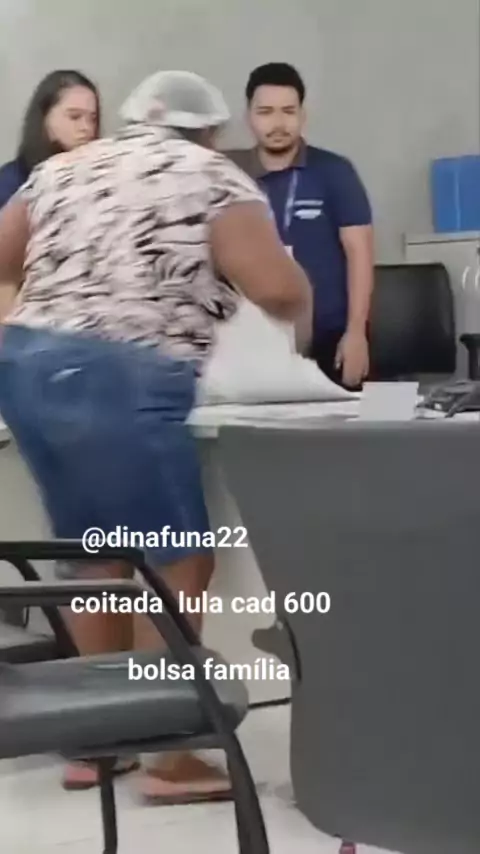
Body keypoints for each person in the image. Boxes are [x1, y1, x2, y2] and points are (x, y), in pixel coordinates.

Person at [0, 70, 312, 804]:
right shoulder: (212, 174)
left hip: (26, 367)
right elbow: (275, 288)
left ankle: (95, 742)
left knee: (94, 553)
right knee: (178, 559)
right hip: (125, 373)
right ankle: (169, 758)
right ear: (211, 132)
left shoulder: (65, 168)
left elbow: (3, 257)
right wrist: (298, 308)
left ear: (135, 121)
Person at [226, 62, 374, 388]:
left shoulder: (335, 171)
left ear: (302, 115)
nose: (278, 123)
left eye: (288, 111)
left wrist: (356, 332)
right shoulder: (228, 173)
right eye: (265, 112)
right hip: (249, 341)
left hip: (328, 340)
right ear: (249, 117)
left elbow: (360, 254)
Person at [0, 69, 100, 210]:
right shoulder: (11, 181)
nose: (87, 128)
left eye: (93, 119)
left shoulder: (98, 179)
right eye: (74, 117)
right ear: (44, 118)